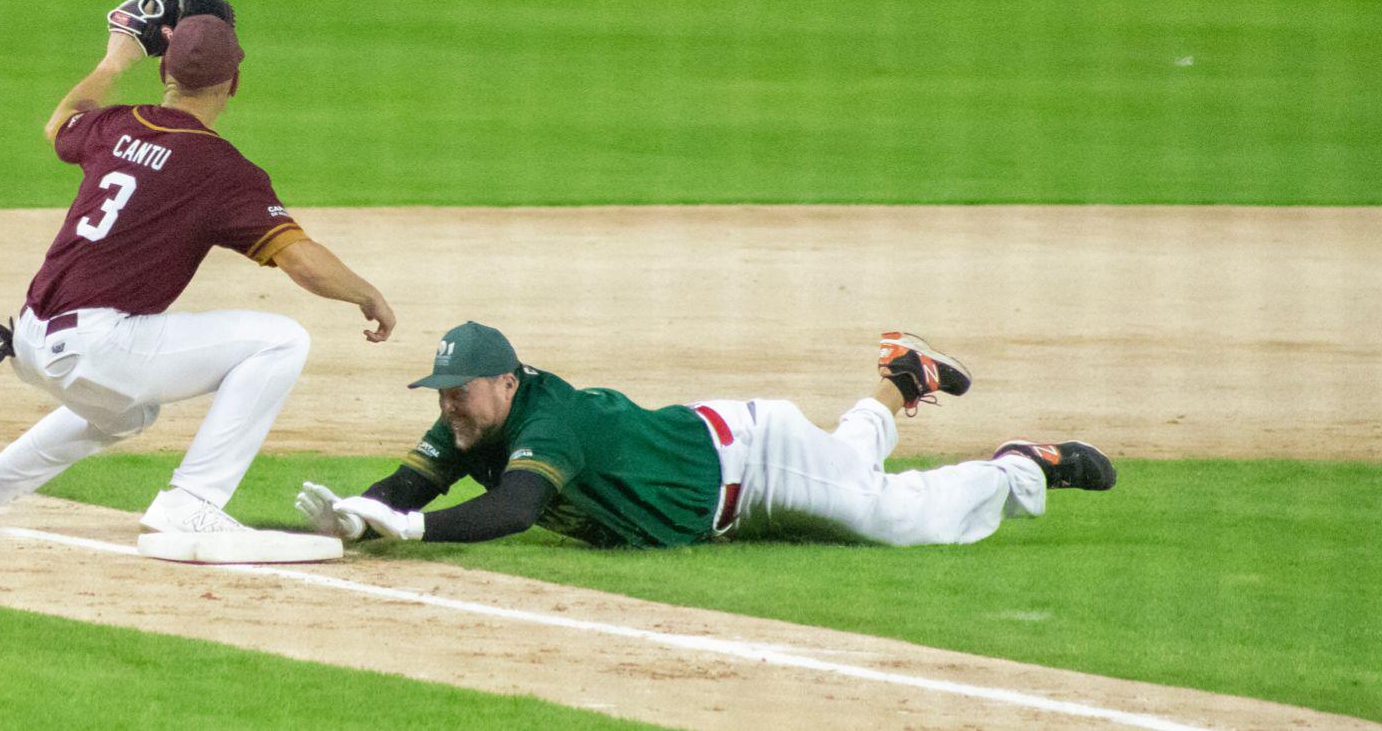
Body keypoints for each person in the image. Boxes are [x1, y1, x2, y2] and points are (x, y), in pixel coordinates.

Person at [0, 0, 396, 536]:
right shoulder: (222, 170)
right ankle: (191, 501)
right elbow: (303, 264)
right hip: (98, 345)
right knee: (282, 340)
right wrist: (369, 295)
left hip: (30, 336)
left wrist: (116, 55)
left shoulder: (117, 126)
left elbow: (62, 121)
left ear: (163, 73)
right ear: (234, 83)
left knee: (127, 411)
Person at [295, 322, 1113, 549]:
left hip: (754, 463)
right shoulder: (469, 418)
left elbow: (513, 508)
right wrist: (354, 516)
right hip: (723, 477)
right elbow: (410, 485)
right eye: (441, 394)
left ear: (507, 380)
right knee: (853, 470)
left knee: (894, 518)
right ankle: (903, 378)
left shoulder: (552, 417)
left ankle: (1017, 467)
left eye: (462, 392)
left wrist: (412, 528)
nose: (450, 409)